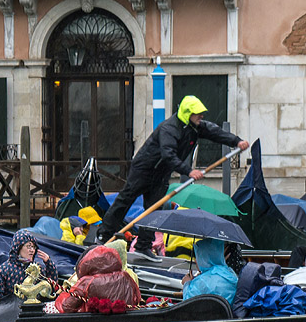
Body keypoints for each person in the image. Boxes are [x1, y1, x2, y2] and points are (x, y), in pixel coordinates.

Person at [95, 95, 249, 260]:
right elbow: (168, 154)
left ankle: (143, 246)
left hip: (161, 174)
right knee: (125, 200)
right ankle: (103, 236)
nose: (201, 116)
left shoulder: (195, 126)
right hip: (144, 169)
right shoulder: (169, 128)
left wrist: (236, 141)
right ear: (187, 113)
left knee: (153, 210)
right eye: (198, 113)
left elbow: (214, 132)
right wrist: (188, 171)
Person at [0, 229, 59, 301]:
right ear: (18, 247)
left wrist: (49, 264)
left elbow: (52, 290)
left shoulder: (38, 268)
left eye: (34, 247)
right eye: (28, 246)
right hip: (11, 310)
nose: (32, 250)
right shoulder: (3, 269)